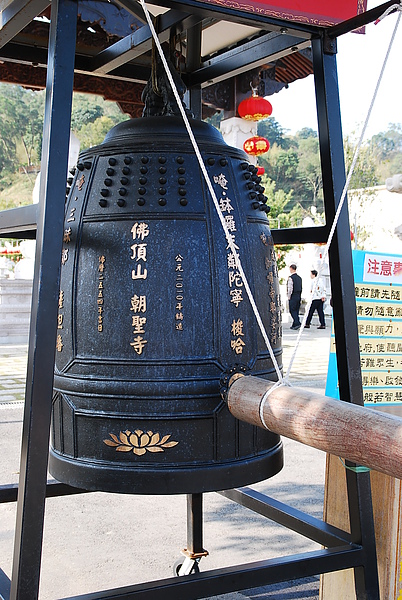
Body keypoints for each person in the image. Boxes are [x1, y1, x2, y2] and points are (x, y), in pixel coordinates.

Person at [287, 264, 302, 330]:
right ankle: (294, 324)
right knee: (296, 310)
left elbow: (290, 288)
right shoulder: (299, 278)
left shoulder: (291, 278)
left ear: (291, 269)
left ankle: (297, 322)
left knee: (292, 310)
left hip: (293, 295)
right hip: (298, 295)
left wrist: (289, 296)